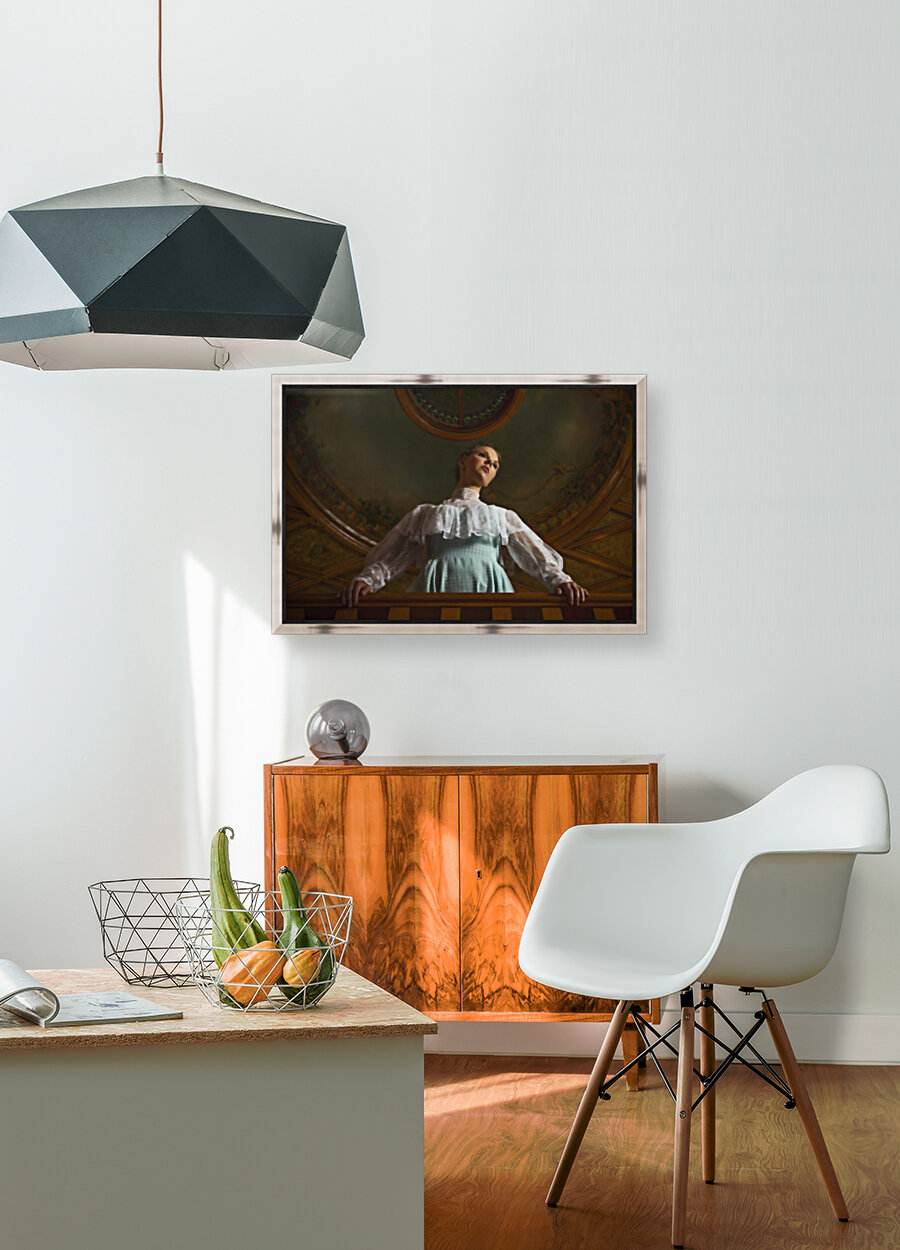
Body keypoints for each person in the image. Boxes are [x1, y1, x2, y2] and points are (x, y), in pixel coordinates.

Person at [342, 444, 589, 606]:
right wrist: (367, 580)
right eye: (483, 455)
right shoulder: (425, 514)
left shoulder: (502, 516)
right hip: (437, 586)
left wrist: (561, 581)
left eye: (494, 464)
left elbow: (537, 556)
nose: (489, 464)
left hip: (490, 586)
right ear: (463, 461)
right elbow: (391, 558)